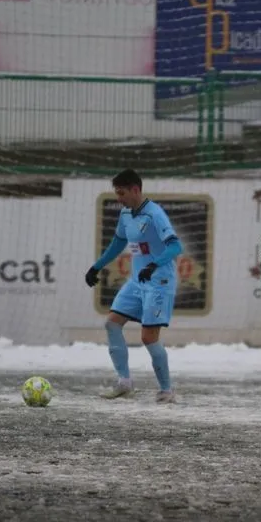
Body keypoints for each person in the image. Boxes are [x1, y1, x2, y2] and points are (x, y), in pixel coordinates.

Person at [85, 169, 183, 403]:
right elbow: (118, 243)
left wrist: (154, 264)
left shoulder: (155, 214)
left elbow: (175, 247)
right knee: (111, 323)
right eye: (116, 193)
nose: (119, 198)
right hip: (138, 280)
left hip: (159, 281)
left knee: (149, 337)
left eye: (121, 193)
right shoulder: (126, 214)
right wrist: (96, 267)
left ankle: (166, 391)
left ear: (135, 189)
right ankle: (124, 382)